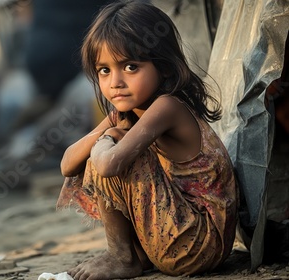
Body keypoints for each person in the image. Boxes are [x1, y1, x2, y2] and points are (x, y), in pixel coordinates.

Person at [57, 0, 238, 278]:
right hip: (178, 235)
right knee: (103, 147)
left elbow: (107, 166)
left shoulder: (168, 107)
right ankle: (135, 254)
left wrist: (106, 140)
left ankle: (122, 257)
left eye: (130, 67)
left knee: (108, 154)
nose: (115, 82)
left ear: (164, 67)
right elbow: (68, 164)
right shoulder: (125, 113)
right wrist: (105, 135)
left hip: (198, 245)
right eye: (104, 70)